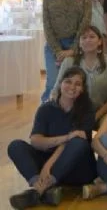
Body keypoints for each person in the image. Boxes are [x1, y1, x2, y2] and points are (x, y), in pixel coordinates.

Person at [8, 67, 97, 209]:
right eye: (68, 81)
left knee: (79, 143)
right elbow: (36, 141)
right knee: (15, 145)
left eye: (78, 84)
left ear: (83, 89)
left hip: (77, 168)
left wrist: (48, 165)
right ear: (60, 83)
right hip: (49, 167)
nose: (72, 87)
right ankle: (42, 187)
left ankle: (39, 190)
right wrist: (67, 136)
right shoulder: (46, 109)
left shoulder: (87, 109)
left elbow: (74, 144)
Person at [42, 0, 92, 102]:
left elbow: (85, 21)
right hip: (53, 46)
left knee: (74, 86)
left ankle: (72, 121)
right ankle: (45, 120)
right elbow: (47, 23)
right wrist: (58, 51)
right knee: (53, 84)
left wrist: (73, 49)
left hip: (77, 44)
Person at [52, 25, 107, 122]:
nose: (87, 40)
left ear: (100, 41)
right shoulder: (68, 62)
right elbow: (56, 90)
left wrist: (95, 117)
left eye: (92, 37)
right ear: (79, 43)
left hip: (101, 112)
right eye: (84, 37)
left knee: (106, 133)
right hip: (71, 111)